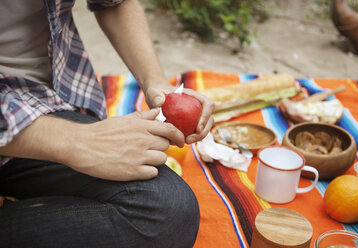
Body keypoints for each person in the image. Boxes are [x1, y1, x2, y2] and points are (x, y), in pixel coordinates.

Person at [0, 0, 215, 247]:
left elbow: (114, 3)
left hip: (35, 104)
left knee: (168, 207)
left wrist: (157, 83)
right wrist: (76, 140)